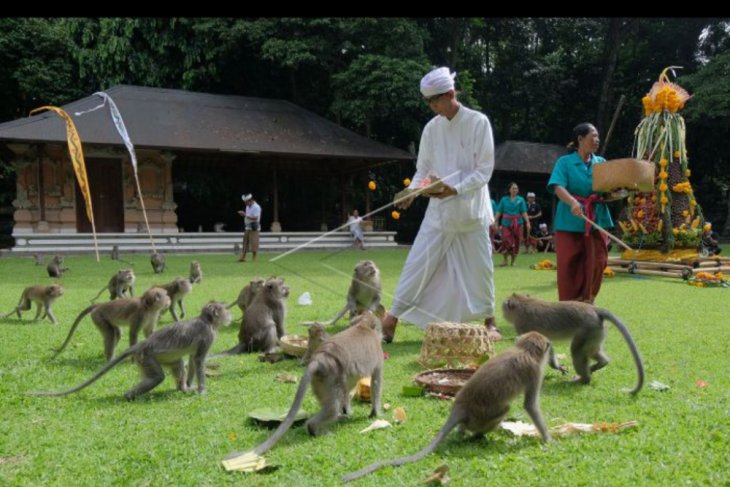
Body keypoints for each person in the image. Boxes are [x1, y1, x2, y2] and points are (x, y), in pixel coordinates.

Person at [381, 66, 500, 343]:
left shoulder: (478, 122)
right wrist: (411, 191)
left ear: (450, 94)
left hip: (471, 211)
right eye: (429, 103)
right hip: (440, 213)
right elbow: (422, 170)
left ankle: (490, 321)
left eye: (435, 101)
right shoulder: (431, 129)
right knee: (418, 262)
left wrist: (454, 189)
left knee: (480, 267)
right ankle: (391, 320)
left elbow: (484, 170)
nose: (433, 107)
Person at [547, 123, 613, 303]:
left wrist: (618, 192)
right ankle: (569, 307)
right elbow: (557, 186)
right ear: (580, 139)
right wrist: (573, 202)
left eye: (598, 136)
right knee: (569, 264)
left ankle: (589, 302)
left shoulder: (601, 163)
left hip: (596, 218)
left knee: (598, 261)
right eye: (593, 135)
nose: (597, 140)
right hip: (570, 219)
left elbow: (607, 191)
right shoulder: (565, 162)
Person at [494, 182, 530, 266]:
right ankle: (505, 260)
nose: (515, 190)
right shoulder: (504, 199)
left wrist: (527, 222)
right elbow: (499, 211)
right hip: (506, 223)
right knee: (505, 240)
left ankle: (513, 261)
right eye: (513, 188)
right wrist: (495, 221)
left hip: (518, 223)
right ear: (509, 190)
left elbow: (524, 212)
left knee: (517, 241)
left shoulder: (521, 200)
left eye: (516, 188)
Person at [237, 193, 262, 262]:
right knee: (245, 242)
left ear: (250, 200)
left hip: (254, 226)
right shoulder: (247, 206)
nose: (245, 203)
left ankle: (254, 259)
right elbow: (248, 216)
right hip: (248, 226)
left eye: (246, 202)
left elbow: (255, 218)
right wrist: (245, 215)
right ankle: (243, 257)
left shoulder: (256, 207)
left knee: (254, 242)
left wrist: (245, 214)